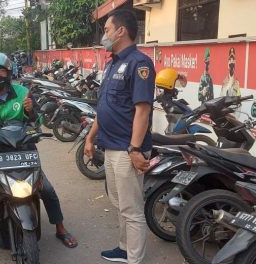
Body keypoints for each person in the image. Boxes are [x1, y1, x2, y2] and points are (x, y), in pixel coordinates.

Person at [0, 51, 78, 261]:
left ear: (9, 73)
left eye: (1, 70)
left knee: (48, 190)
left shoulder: (22, 92)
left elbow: (35, 124)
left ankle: (60, 228)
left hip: (22, 151)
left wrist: (31, 112)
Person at [84, 9, 155, 264]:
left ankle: (134, 259)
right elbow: (105, 107)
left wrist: (135, 150)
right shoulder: (112, 62)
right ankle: (125, 249)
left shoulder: (140, 63)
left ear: (121, 31)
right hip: (110, 146)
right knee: (120, 204)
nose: (105, 35)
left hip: (128, 149)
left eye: (106, 30)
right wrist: (90, 138)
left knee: (132, 209)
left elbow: (143, 111)